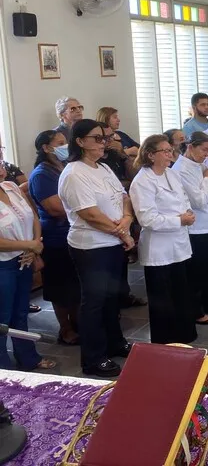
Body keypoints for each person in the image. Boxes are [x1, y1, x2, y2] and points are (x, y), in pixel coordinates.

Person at [58, 119, 135, 377]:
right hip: (91, 246)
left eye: (104, 137)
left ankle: (115, 342)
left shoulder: (102, 167)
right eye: (97, 138)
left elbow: (123, 196)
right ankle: (93, 358)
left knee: (112, 298)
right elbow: (89, 214)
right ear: (80, 142)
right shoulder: (73, 173)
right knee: (94, 301)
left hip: (113, 241)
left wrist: (126, 221)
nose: (104, 142)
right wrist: (123, 232)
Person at [129, 135, 198, 344]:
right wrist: (179, 220)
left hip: (179, 243)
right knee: (162, 298)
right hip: (158, 247)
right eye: (166, 151)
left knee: (181, 291)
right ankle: (165, 340)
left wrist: (188, 212)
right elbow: (147, 218)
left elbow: (183, 198)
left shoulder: (171, 174)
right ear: (151, 155)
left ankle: (185, 334)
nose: (171, 154)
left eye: (171, 150)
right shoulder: (142, 181)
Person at [0, 161, 57, 372]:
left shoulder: (11, 187)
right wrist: (29, 244)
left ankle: (28, 358)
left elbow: (32, 215)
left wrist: (34, 245)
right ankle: (3, 371)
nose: (1, 167)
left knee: (20, 312)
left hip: (24, 258)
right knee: (2, 318)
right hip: (3, 264)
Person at [28, 131, 80, 345]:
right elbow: (55, 208)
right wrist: (83, 208)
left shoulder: (65, 167)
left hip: (72, 233)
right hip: (55, 237)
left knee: (75, 284)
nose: (65, 146)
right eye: (60, 143)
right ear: (46, 148)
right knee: (60, 287)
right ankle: (65, 329)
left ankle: (78, 323)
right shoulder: (42, 174)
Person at [172, 132, 208, 322]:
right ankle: (197, 310)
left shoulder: (201, 164)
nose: (207, 154)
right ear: (190, 147)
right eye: (203, 150)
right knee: (197, 271)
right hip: (197, 227)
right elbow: (199, 201)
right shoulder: (181, 169)